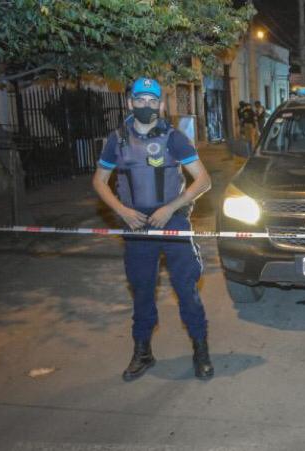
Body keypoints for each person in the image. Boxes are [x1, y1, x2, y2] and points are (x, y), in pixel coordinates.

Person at [92, 77, 214, 381]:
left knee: (187, 290)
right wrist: (121, 211)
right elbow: (99, 180)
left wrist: (171, 208)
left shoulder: (174, 138)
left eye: (152, 100)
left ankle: (201, 351)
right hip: (136, 225)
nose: (146, 105)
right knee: (142, 291)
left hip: (171, 221)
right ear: (130, 102)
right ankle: (142, 353)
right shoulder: (116, 139)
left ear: (160, 104)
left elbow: (204, 180)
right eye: (140, 99)